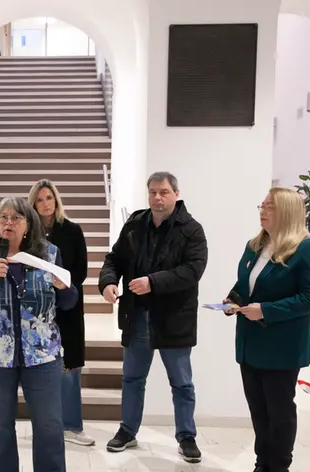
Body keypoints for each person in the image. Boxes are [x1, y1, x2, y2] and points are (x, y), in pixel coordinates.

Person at [0, 197, 78, 472]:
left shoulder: (49, 253)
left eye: (16, 218)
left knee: (49, 426)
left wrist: (64, 288)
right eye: (3, 218)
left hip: (42, 355)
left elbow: (69, 302)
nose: (8, 223)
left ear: (28, 224)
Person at [97, 172, 207, 463]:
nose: (158, 197)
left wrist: (152, 282)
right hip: (138, 317)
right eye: (153, 192)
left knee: (182, 383)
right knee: (132, 379)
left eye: (164, 192)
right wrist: (108, 282)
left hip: (174, 319)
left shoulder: (191, 229)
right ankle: (127, 431)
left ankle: (187, 436)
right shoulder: (135, 224)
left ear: (176, 193)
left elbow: (192, 270)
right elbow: (114, 259)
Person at [224, 188, 310, 472]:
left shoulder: (305, 248)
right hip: (250, 342)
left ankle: (278, 466)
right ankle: (262, 463)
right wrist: (233, 299)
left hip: (282, 346)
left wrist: (266, 310)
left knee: (279, 411)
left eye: (270, 206)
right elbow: (246, 285)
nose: (262, 210)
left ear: (287, 212)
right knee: (258, 410)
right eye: (262, 205)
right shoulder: (255, 245)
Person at [29, 179, 93, 447]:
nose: (45, 204)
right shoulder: (27, 234)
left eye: (49, 198)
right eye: (40, 199)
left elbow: (81, 270)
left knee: (70, 366)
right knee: (39, 367)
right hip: (37, 310)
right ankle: (45, 425)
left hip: (67, 306)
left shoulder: (72, 230)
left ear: (56, 201)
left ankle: (72, 426)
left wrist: (62, 288)